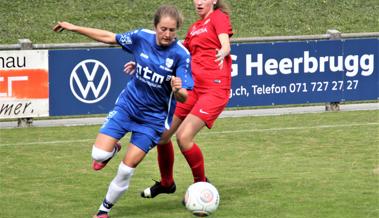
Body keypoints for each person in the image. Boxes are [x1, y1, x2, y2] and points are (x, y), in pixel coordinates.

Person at [53, 5, 193, 218]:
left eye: (172, 30)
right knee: (98, 154)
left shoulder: (181, 54)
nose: (167, 34)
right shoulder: (140, 37)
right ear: (155, 27)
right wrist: (73, 27)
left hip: (153, 120)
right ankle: (113, 149)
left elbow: (184, 95)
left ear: (177, 30)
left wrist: (177, 89)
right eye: (163, 29)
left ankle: (103, 211)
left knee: (126, 169)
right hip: (128, 107)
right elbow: (109, 37)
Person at [137, 0, 233, 198]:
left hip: (214, 89)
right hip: (194, 89)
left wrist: (223, 50)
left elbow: (225, 43)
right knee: (162, 136)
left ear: (213, 1)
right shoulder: (194, 28)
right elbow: (177, 51)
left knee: (184, 137)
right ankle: (166, 183)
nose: (198, 2)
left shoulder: (218, 17)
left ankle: (201, 186)